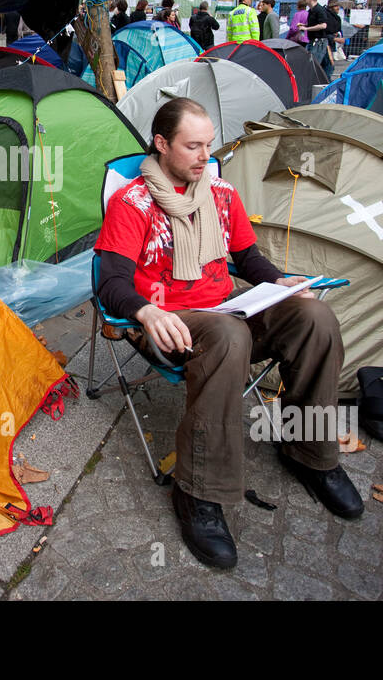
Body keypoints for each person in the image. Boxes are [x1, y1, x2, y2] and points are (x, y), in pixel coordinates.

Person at [95, 98, 361, 569]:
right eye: (192, 146)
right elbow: (110, 281)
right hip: (169, 323)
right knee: (228, 334)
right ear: (161, 144)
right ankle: (197, 492)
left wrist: (280, 282)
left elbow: (249, 259)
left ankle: (310, 452)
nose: (205, 156)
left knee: (315, 319)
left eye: (209, 145)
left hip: (227, 311)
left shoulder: (220, 195)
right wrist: (146, 313)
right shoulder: (132, 203)